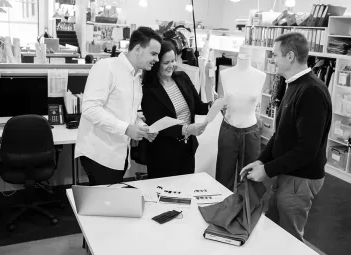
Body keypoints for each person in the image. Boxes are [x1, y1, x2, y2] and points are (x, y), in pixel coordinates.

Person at [240, 32, 332, 242]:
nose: (272, 60)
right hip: (287, 173)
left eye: (275, 55)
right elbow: (281, 134)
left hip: (300, 178)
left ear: (290, 56)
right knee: (273, 230)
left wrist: (267, 170)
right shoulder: (294, 85)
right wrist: (261, 160)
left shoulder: (311, 92)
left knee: (289, 240)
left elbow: (307, 150)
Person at [75, 27, 162, 186]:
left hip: (119, 154)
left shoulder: (136, 77)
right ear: (137, 49)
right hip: (100, 153)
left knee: (112, 203)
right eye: (153, 54)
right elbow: (90, 108)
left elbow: (129, 113)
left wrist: (142, 128)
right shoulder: (107, 67)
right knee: (105, 205)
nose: (157, 59)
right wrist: (126, 128)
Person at [141, 41, 223, 178]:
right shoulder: (148, 90)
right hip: (163, 153)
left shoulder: (182, 78)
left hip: (187, 147)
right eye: (166, 63)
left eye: (173, 61)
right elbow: (157, 125)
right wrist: (187, 129)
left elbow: (196, 106)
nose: (171, 66)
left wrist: (212, 106)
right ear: (156, 64)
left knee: (186, 188)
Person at [215, 52, 265, 192]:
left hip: (251, 132)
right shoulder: (225, 74)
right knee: (223, 178)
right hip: (229, 130)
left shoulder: (260, 76)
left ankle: (247, 212)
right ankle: (224, 210)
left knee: (249, 179)